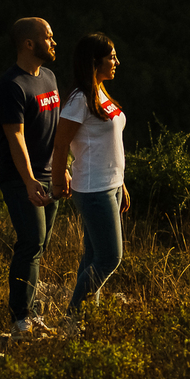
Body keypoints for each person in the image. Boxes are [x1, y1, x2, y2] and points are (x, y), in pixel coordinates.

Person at [0, 16, 66, 337]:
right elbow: (16, 138)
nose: (53, 42)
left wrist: (63, 165)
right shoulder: (11, 86)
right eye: (48, 37)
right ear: (28, 44)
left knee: (41, 244)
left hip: (51, 175)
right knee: (30, 243)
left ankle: (32, 314)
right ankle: (20, 318)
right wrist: (29, 181)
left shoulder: (49, 77)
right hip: (21, 179)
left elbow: (57, 128)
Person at [52, 32, 129, 332]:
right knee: (110, 257)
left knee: (92, 256)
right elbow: (60, 147)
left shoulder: (100, 92)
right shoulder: (79, 100)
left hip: (109, 186)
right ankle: (72, 319)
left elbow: (108, 144)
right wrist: (59, 183)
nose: (116, 62)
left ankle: (85, 321)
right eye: (111, 57)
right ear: (94, 62)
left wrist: (121, 183)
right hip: (93, 189)